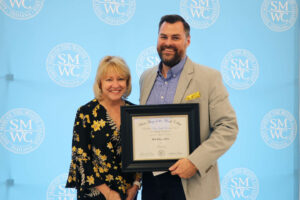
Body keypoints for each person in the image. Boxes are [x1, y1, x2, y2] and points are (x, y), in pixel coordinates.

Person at [139, 14, 239, 200]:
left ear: (188, 40)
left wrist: (195, 161)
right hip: (151, 183)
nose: (168, 43)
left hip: (190, 183)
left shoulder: (209, 78)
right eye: (163, 37)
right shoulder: (146, 78)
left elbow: (228, 127)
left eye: (175, 37)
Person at [66, 56, 141, 200]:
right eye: (109, 80)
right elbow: (80, 158)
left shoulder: (135, 112)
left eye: (120, 79)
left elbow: (142, 153)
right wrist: (107, 193)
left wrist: (136, 186)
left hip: (128, 194)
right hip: (94, 194)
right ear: (100, 83)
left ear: (127, 82)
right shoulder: (86, 112)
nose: (115, 84)